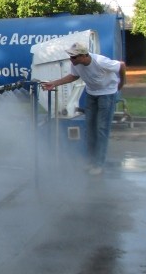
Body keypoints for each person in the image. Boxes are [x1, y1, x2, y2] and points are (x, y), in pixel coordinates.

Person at [42, 42, 126, 175]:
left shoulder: (100, 61)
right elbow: (73, 76)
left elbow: (121, 65)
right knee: (90, 128)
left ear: (84, 56)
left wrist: (121, 83)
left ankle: (99, 164)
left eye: (74, 57)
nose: (71, 59)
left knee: (101, 129)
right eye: (70, 56)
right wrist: (54, 83)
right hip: (92, 94)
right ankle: (91, 161)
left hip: (107, 94)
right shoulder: (76, 64)